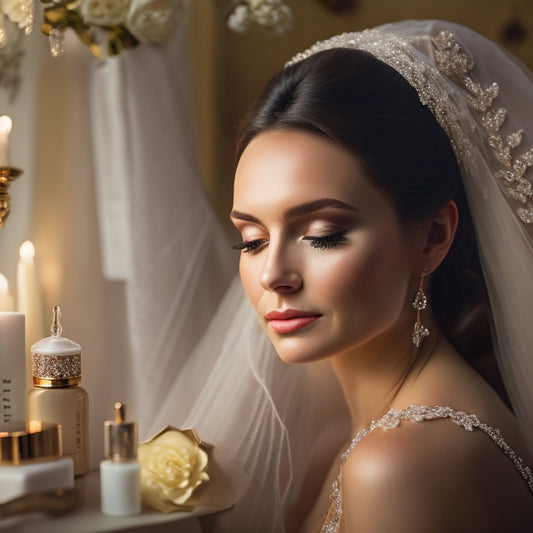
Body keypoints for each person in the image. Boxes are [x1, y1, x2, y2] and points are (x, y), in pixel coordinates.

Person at [229, 19, 533, 532]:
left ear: (434, 236)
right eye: (252, 241)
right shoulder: (351, 439)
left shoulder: (401, 465)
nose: (273, 275)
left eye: (323, 234)